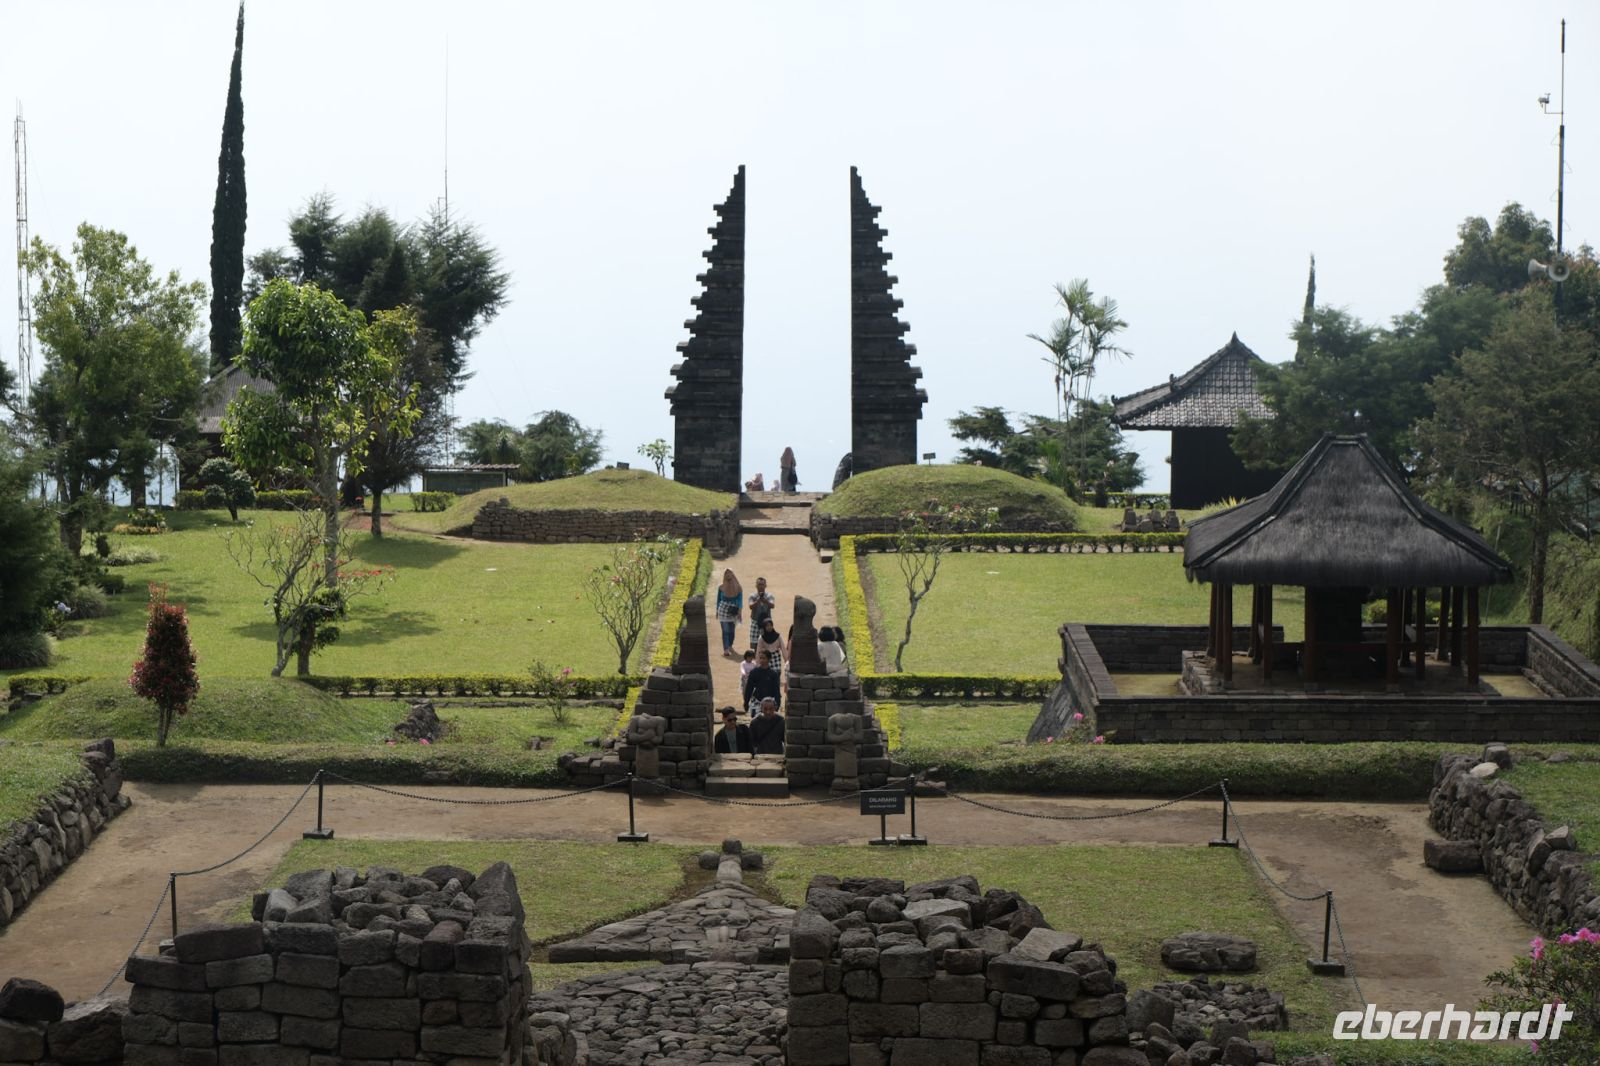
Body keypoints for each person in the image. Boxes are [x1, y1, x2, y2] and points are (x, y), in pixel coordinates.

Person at [742, 650, 781, 716]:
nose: (761, 660)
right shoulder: (754, 672)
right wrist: (746, 702)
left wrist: (777, 704)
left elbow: (776, 690)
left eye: (764, 658)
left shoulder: (774, 674)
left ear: (769, 659)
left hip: (770, 702)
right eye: (760, 658)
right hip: (757, 701)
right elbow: (749, 688)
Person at [714, 569, 743, 657]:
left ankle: (730, 645)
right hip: (723, 610)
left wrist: (740, 611)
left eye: (729, 573)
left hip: (733, 611)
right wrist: (717, 610)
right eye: (726, 573)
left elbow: (740, 600)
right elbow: (718, 599)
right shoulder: (721, 587)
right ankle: (726, 649)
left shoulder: (738, 588)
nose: (728, 575)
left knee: (731, 631)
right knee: (725, 630)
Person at [747, 576, 775, 648]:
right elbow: (750, 607)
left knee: (767, 643)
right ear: (756, 585)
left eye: (762, 584)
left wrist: (765, 601)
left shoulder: (769, 596)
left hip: (767, 623)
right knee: (755, 645)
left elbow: (772, 606)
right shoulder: (752, 596)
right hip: (755, 621)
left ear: (765, 585)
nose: (761, 586)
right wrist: (758, 600)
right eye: (759, 584)